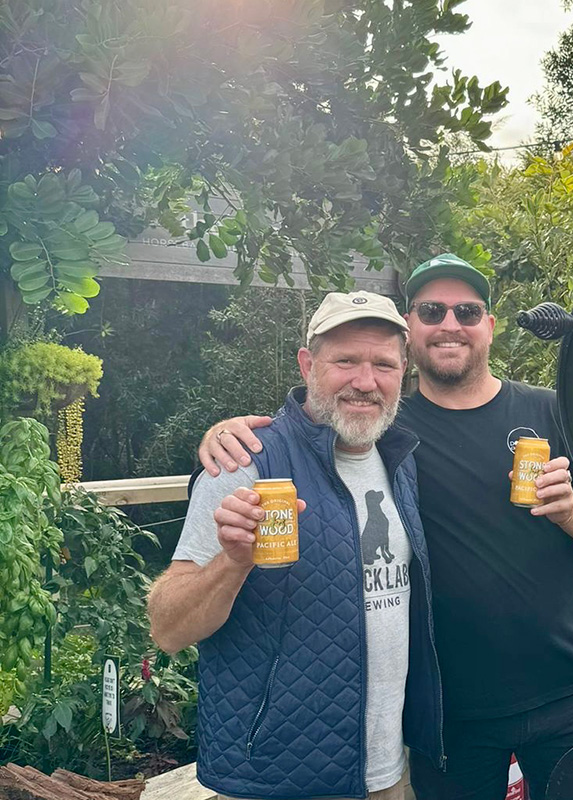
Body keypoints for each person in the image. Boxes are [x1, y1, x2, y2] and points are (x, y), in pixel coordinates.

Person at [199, 254, 573, 800]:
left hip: (566, 688)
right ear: (412, 335)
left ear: (489, 327)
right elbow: (309, 424)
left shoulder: (550, 411)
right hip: (447, 710)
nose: (450, 323)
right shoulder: (382, 427)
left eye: (467, 311)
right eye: (432, 310)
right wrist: (226, 433)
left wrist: (570, 508)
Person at [148, 292, 445, 800]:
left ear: (404, 373)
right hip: (277, 780)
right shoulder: (245, 464)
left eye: (383, 364)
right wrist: (233, 562)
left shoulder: (402, 461)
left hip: (388, 774)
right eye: (345, 361)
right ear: (308, 365)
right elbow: (167, 628)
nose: (365, 381)